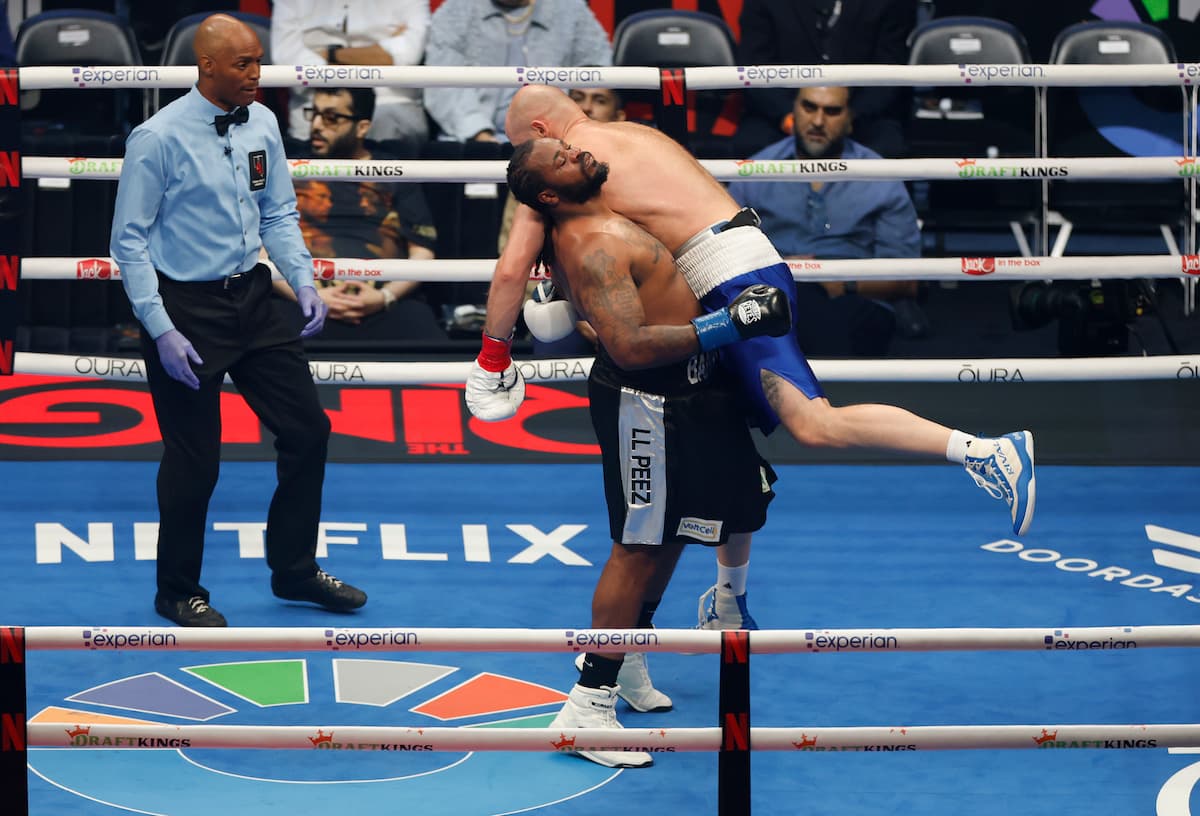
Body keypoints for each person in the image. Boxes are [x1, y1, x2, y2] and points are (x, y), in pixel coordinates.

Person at [466, 88, 1036, 622]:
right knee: (729, 441)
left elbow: (514, 267)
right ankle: (729, 601)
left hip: (730, 282)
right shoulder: (632, 136)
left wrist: (493, 358)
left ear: (540, 131)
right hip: (735, 264)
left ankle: (984, 452)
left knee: (813, 424)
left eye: (525, 147)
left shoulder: (569, 165)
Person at [503, 136, 788, 768]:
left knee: (674, 533)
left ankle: (627, 650)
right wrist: (732, 322)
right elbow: (630, 346)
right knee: (636, 547)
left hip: (685, 396)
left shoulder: (602, 217)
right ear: (551, 193)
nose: (577, 152)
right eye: (562, 159)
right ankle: (587, 704)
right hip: (646, 403)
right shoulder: (597, 244)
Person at [109, 14, 367, 627]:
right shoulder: (157, 138)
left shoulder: (265, 122)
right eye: (244, 63)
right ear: (208, 67)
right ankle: (177, 590)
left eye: (259, 61)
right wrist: (161, 326)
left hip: (252, 298)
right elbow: (129, 242)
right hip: (186, 308)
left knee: (308, 430)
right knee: (195, 458)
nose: (257, 73)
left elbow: (277, 210)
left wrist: (302, 279)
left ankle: (295, 570)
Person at [727, 85, 928, 357]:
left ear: (849, 119)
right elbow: (726, 260)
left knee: (826, 321)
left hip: (854, 301)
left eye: (832, 111)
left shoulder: (880, 177)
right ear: (794, 110)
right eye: (809, 107)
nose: (818, 121)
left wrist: (841, 283)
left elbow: (906, 281)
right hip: (775, 295)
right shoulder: (754, 171)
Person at [273, 87, 445, 342]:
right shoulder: (290, 167)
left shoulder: (394, 170)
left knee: (429, 341)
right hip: (299, 298)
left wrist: (383, 297)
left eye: (331, 117)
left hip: (382, 299)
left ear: (362, 127)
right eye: (315, 114)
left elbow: (422, 250)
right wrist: (306, 293)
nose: (317, 125)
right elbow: (262, 249)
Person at [735, 0, 916, 158]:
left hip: (861, 113)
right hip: (780, 111)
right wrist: (790, 115)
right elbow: (753, 62)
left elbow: (891, 68)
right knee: (752, 144)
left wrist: (850, 117)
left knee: (888, 147)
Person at [423, 0, 611, 143]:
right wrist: (479, 133)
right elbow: (443, 86)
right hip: (469, 140)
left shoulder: (571, 9)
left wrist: (560, 129)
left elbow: (596, 72)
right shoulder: (455, 10)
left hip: (556, 139)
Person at [269, 0, 431, 154]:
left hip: (389, 101)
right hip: (314, 101)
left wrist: (327, 54)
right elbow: (286, 58)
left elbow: (408, 54)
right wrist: (375, 54)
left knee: (385, 119)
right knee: (310, 129)